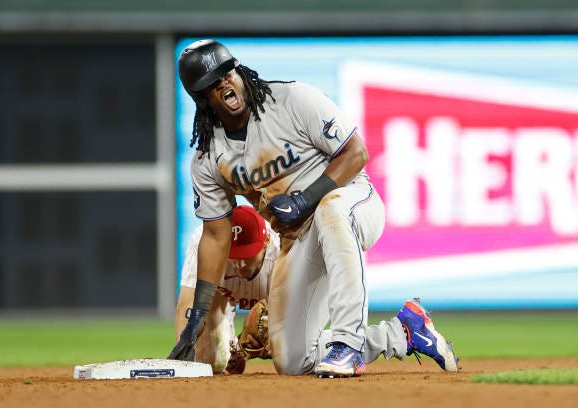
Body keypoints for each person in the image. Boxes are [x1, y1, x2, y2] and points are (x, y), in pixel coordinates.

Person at [169, 39, 459, 377]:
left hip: (352, 202)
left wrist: (306, 198)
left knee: (329, 209)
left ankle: (349, 344)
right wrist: (197, 318)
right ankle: (404, 331)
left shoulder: (292, 100)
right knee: (292, 360)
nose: (224, 84)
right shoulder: (208, 157)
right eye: (212, 84)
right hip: (298, 240)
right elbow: (216, 237)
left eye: (226, 73)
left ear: (238, 70)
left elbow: (355, 153)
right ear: (202, 98)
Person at [173, 205, 279, 374]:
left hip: (278, 302)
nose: (240, 264)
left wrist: (278, 336)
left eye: (247, 254)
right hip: (220, 301)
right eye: (235, 255)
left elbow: (299, 308)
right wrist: (182, 356)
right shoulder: (205, 240)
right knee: (212, 361)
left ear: (266, 242)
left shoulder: (281, 243)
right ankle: (231, 346)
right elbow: (187, 303)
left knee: (289, 360)